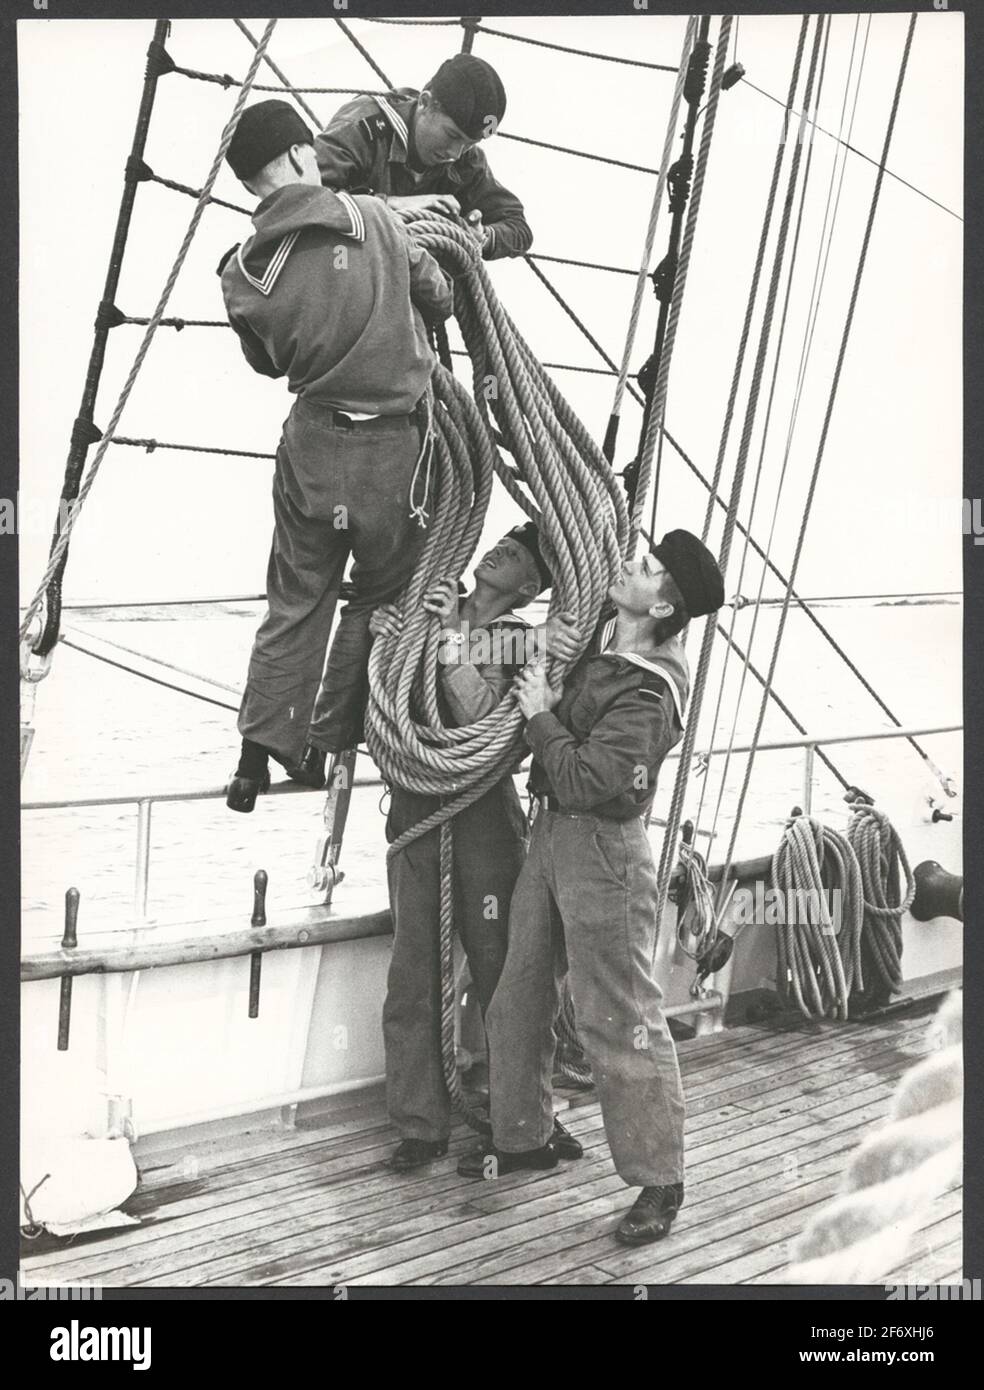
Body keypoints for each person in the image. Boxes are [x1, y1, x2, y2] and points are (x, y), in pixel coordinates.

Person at [457, 529, 726, 1248]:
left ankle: (659, 1178)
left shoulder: (649, 689)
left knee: (620, 1015)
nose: (630, 565)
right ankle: (525, 1135)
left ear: (665, 605)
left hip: (604, 849)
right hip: (552, 833)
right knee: (518, 988)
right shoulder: (615, 636)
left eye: (647, 568)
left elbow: (591, 781)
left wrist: (540, 712)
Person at [217, 100, 453, 812]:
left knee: (296, 598)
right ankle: (325, 736)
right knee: (380, 593)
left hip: (313, 446)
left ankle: (256, 757)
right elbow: (437, 299)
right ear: (296, 156)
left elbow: (263, 362)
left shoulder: (239, 272)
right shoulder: (375, 220)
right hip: (391, 449)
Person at [373, 524, 581, 1172]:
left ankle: (523, 1118)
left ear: (528, 588)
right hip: (416, 810)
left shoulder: (522, 641)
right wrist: (389, 638)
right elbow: (383, 706)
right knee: (413, 976)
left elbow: (484, 716)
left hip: (484, 816)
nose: (497, 552)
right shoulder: (421, 610)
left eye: (515, 556)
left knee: (504, 977)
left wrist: (448, 643)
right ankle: (420, 1124)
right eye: (501, 544)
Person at [315, 53, 532, 260]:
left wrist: (482, 236)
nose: (454, 154)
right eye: (452, 135)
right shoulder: (362, 126)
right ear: (425, 103)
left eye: (469, 144)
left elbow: (518, 227)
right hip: (344, 260)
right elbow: (307, 198)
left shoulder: (466, 159)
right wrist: (392, 204)